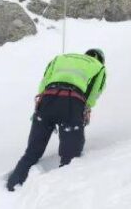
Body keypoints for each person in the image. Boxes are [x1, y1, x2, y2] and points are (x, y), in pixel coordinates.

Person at [6, 49, 107, 191]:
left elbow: (44, 82)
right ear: (101, 59)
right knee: (70, 159)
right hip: (72, 104)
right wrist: (86, 109)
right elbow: (94, 93)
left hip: (47, 100)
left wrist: (41, 107)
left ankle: (12, 187)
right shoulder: (99, 67)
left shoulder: (61, 58)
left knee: (32, 153)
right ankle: (59, 197)